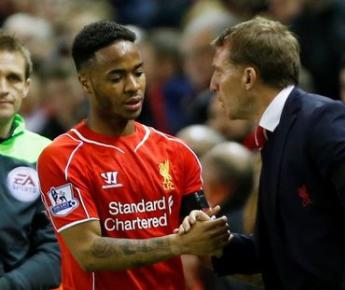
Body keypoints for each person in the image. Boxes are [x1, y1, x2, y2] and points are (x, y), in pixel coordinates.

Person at [179, 17, 345, 290]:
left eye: (219, 71)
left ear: (248, 77)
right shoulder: (274, 133)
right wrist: (214, 242)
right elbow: (283, 251)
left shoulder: (326, 119)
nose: (212, 85)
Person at [36, 21, 230, 290]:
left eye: (138, 73)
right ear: (86, 83)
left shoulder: (176, 152)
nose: (132, 86)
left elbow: (205, 246)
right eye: (116, 77)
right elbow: (88, 251)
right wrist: (179, 243)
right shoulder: (61, 157)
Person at [0, 33, 61, 289]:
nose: (3, 89)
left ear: (26, 87)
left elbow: (57, 250)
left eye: (12, 78)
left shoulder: (47, 155)